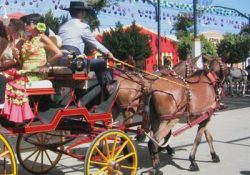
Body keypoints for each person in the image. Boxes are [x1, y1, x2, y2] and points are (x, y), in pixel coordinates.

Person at [58, 1, 115, 87]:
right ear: (81, 13)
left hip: (61, 61)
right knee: (101, 63)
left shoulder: (62, 26)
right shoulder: (82, 26)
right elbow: (94, 43)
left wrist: (81, 54)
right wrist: (108, 53)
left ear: (70, 13)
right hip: (75, 63)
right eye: (83, 12)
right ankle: (107, 88)